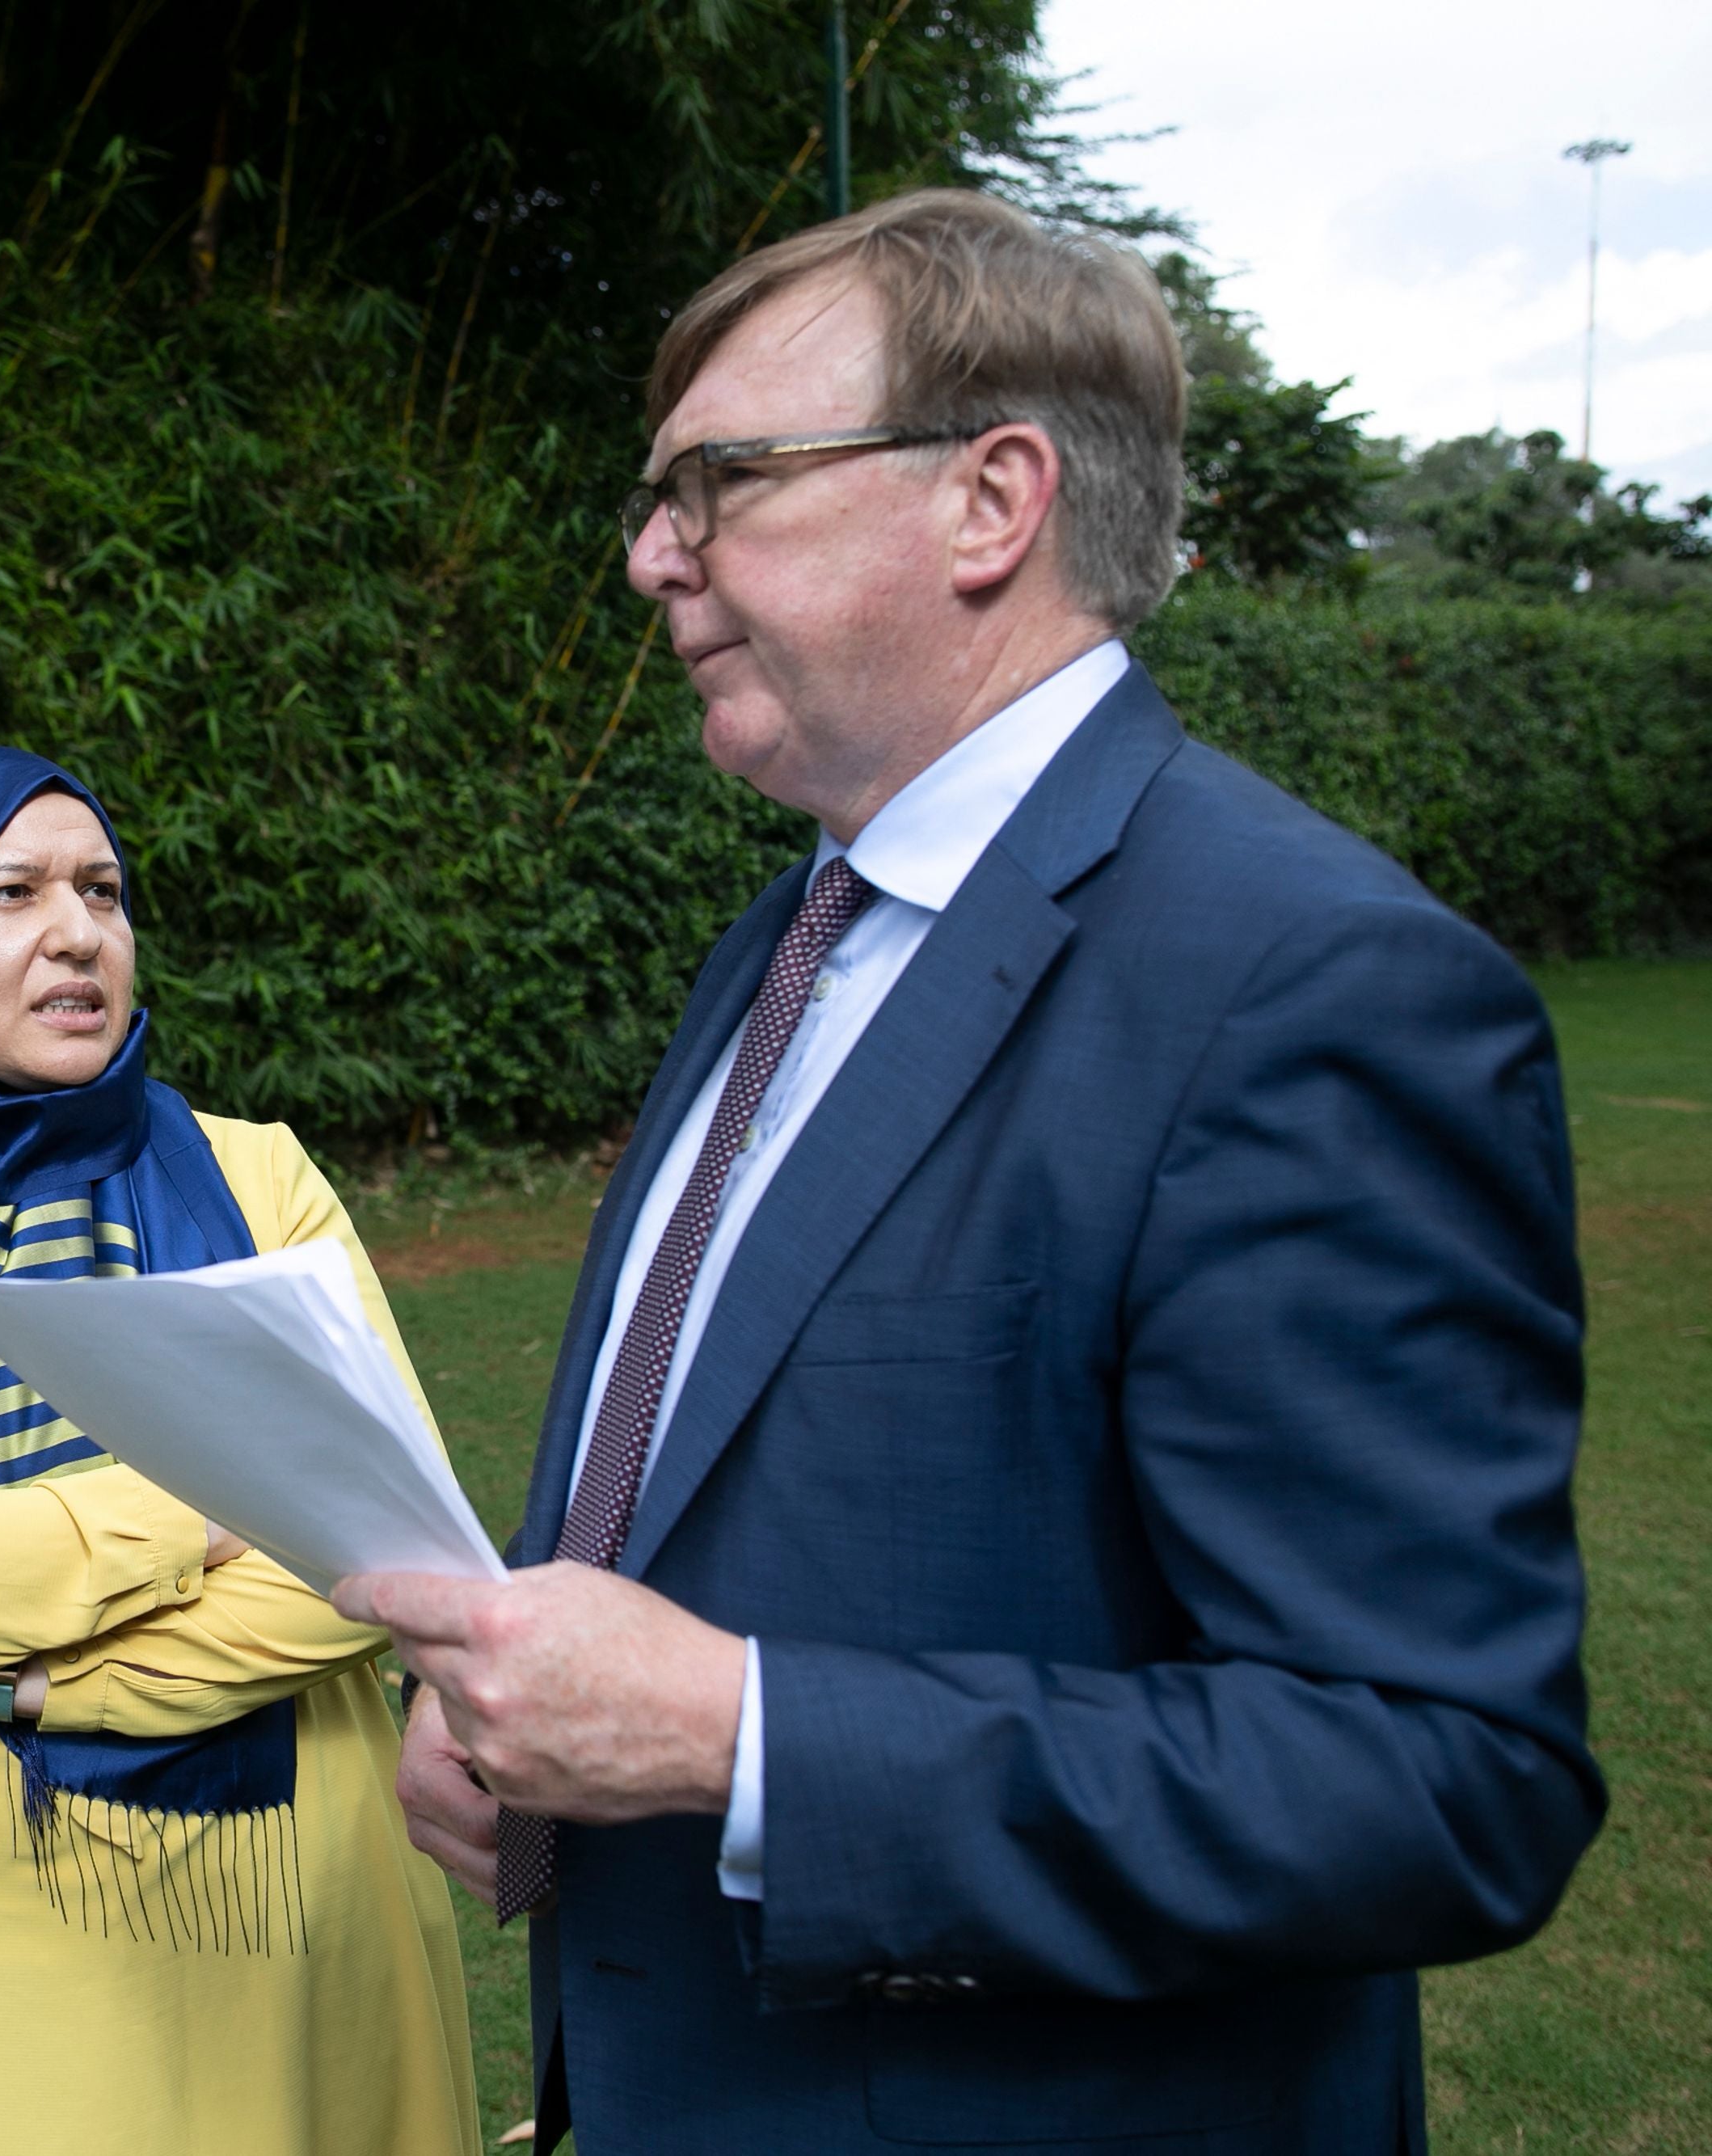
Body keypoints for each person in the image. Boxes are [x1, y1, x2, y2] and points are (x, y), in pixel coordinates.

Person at [337, 190, 1600, 2153]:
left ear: (988, 500)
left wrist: (740, 1741)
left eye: (719, 480)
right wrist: (528, 1720)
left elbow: (1440, 1770)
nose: (649, 555)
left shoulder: (1306, 986)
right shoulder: (774, 945)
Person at [0, 747, 477, 2155]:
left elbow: (374, 1549)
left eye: (103, 890)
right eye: (11, 891)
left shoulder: (257, 1180)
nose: (78, 930)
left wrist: (36, 1687)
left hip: (272, 1896)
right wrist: (196, 1504)